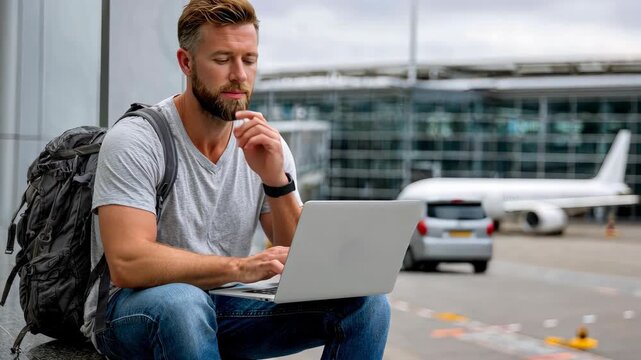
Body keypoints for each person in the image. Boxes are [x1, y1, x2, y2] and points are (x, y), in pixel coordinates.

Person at [81, 0, 390, 359]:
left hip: (225, 308)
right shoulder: (137, 139)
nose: (239, 75)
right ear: (186, 62)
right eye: (223, 59)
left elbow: (303, 262)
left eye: (249, 59)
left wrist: (277, 181)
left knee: (367, 303)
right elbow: (128, 263)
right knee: (184, 303)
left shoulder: (264, 145)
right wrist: (240, 268)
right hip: (134, 312)